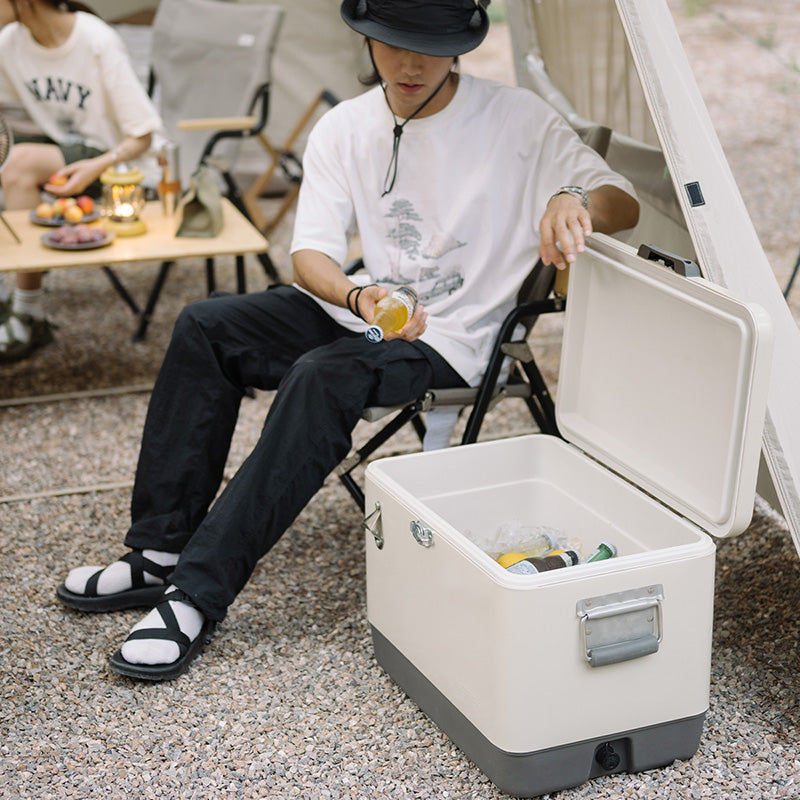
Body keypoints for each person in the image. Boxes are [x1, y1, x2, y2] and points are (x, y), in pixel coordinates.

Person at [57, 0, 639, 681]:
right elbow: (311, 258)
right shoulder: (346, 125)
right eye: (393, 42)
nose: (410, 62)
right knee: (207, 325)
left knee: (320, 375)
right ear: (367, 37)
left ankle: (195, 596)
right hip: (366, 309)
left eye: (428, 44)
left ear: (460, 43)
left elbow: (620, 202)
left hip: (455, 337)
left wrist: (571, 196)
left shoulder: (516, 119)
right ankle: (157, 553)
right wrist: (360, 295)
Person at [0, 0, 162, 361]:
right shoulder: (10, 41)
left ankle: (28, 313)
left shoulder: (95, 40)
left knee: (19, 164)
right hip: (66, 156)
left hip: (123, 168)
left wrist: (94, 167)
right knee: (14, 159)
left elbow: (144, 135)